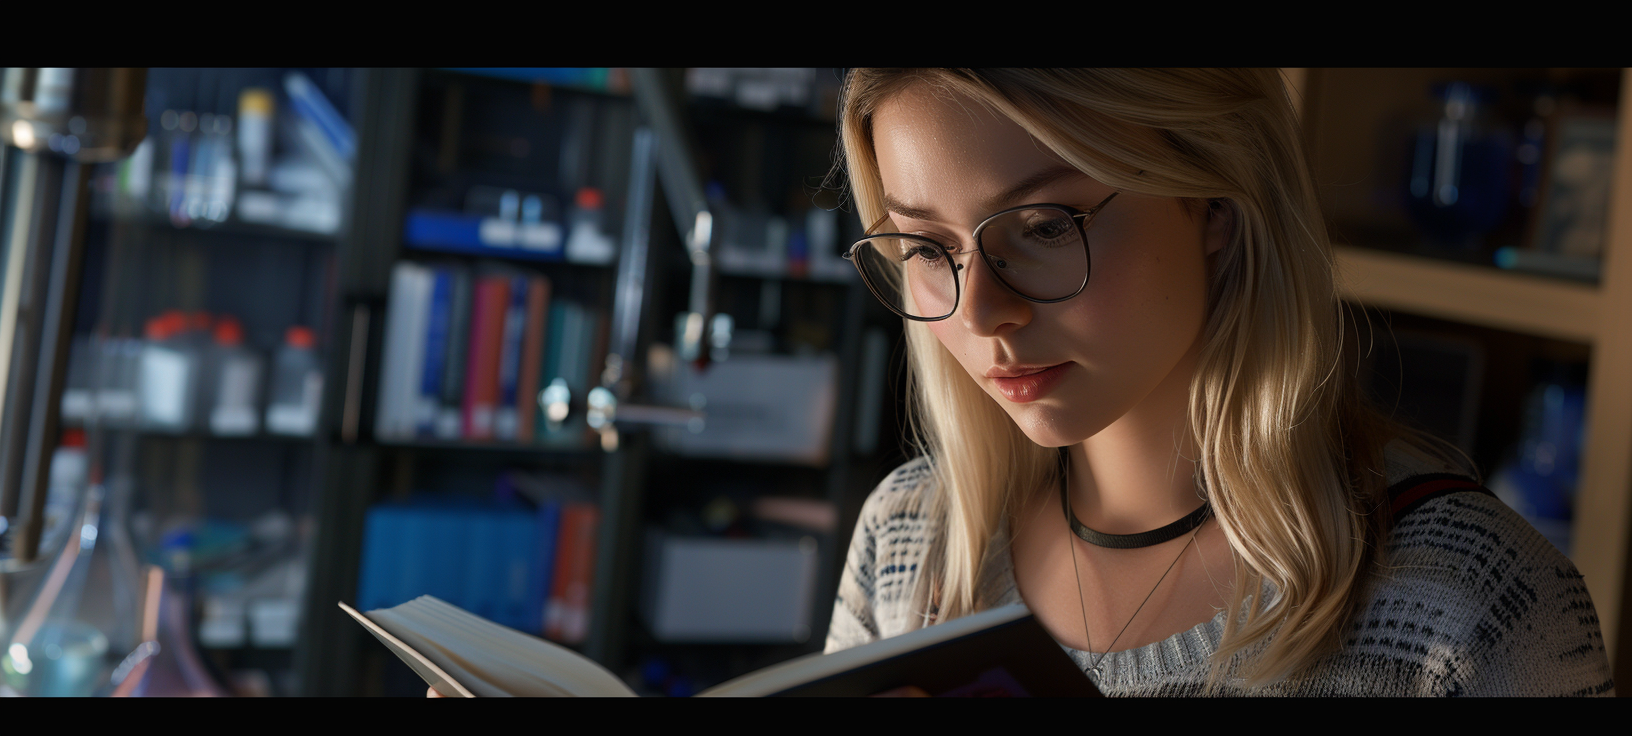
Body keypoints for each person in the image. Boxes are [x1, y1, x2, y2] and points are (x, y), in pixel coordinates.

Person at [821, 68, 1616, 696]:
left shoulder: (1478, 604)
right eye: (926, 247)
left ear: (1214, 202)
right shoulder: (907, 542)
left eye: (1046, 227)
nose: (984, 312)